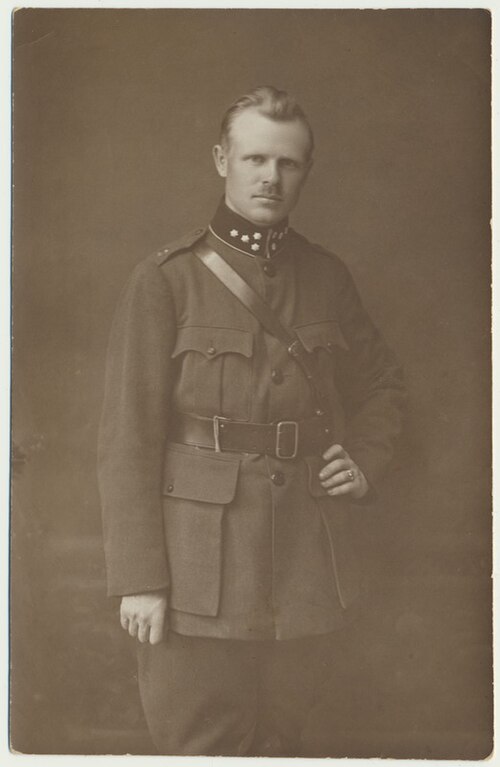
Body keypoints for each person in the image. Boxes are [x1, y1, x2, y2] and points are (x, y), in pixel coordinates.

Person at [98, 85, 406, 757]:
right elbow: (127, 439)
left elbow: (383, 385)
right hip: (196, 578)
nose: (271, 177)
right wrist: (141, 580)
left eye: (288, 163)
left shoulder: (326, 277)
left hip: (306, 574)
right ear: (222, 160)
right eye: (255, 158)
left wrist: (366, 459)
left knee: (288, 746)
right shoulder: (166, 280)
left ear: (306, 170)